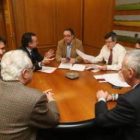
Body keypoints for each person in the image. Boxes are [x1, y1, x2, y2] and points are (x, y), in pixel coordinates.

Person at [0, 50, 60, 140]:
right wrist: (51, 100)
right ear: (24, 73)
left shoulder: (32, 97)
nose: (32, 70)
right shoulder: (34, 98)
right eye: (32, 68)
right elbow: (53, 120)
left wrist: (32, 98)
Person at [95, 49, 140, 140]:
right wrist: (114, 96)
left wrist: (101, 99)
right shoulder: (133, 96)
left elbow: (102, 121)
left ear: (130, 73)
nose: (120, 70)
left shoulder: (129, 101)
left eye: (122, 67)